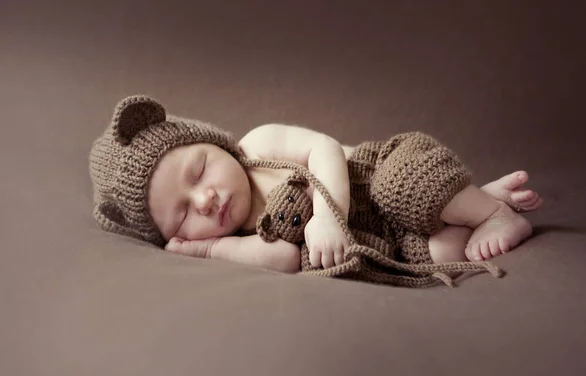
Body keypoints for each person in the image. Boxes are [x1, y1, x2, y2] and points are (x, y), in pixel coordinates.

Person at [90, 95, 542, 278]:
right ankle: (470, 204)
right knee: (442, 252)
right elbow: (285, 259)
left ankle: (490, 211)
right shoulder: (242, 239)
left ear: (212, 143)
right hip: (389, 241)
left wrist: (328, 215)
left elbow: (324, 149)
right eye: (184, 214)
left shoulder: (258, 146)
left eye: (199, 170)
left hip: (379, 172)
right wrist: (208, 251)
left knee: (411, 184)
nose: (205, 198)